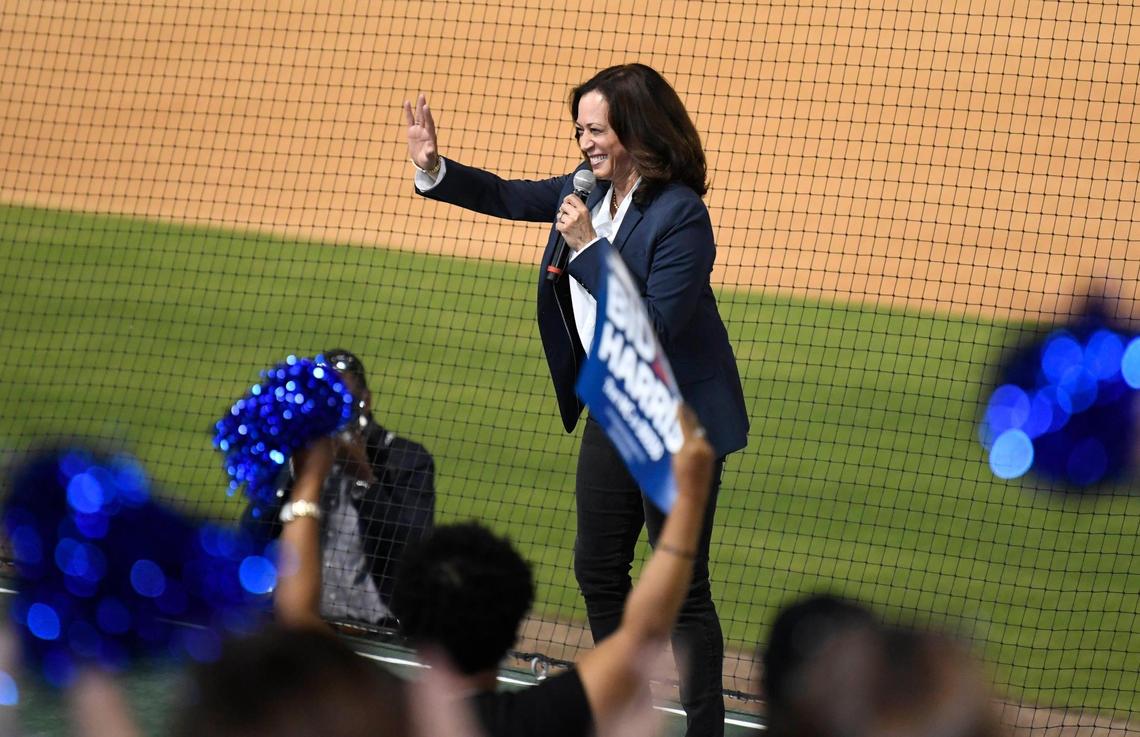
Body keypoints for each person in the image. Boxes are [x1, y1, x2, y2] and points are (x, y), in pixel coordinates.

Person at [404, 63, 749, 736]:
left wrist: (588, 248)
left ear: (634, 128)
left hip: (675, 418)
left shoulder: (681, 215)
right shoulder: (585, 189)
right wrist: (435, 168)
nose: (584, 141)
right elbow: (508, 195)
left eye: (595, 129)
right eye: (580, 129)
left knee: (683, 592)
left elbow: (650, 323)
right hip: (616, 403)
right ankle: (626, 704)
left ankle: (703, 730)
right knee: (597, 566)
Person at [275, 403, 717, 737]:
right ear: (514, 623)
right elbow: (644, 631)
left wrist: (309, 478)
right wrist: (689, 495)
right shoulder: (539, 720)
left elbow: (297, 616)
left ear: (414, 616)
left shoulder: (378, 712)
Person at [242, 348, 435, 625]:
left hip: (376, 632)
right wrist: (294, 475)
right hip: (296, 622)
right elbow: (251, 534)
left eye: (343, 403)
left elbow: (415, 548)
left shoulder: (405, 459)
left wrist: (364, 479)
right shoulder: (290, 455)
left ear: (365, 402)